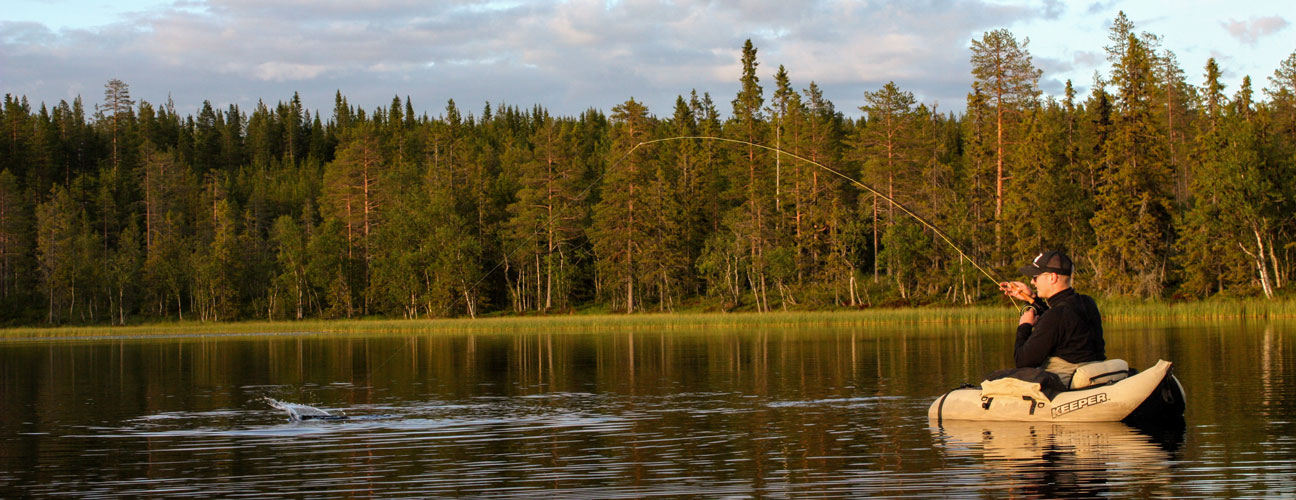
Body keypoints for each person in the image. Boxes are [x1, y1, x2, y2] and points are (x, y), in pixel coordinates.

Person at [997, 250, 1105, 387]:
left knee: (997, 377)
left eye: (1035, 277)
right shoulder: (1087, 302)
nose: (1032, 282)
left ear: (1052, 278)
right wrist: (1033, 298)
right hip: (1089, 371)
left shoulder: (1056, 314)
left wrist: (1024, 326)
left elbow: (1022, 361)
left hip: (1065, 381)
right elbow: (1061, 321)